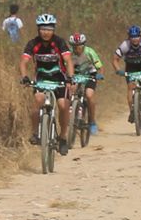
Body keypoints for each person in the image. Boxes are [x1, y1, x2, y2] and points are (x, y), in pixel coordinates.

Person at [19, 13, 75, 152]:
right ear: (38, 29)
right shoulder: (33, 43)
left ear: (53, 30)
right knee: (38, 100)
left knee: (63, 105)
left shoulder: (59, 42)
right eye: (43, 29)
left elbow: (68, 61)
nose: (46, 32)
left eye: (49, 29)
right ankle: (35, 133)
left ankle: (63, 137)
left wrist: (70, 78)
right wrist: (25, 77)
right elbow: (24, 62)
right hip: (42, 79)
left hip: (59, 78)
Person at [69, 31, 105, 136]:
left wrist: (100, 75)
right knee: (71, 91)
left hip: (90, 75)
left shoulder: (90, 52)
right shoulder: (69, 53)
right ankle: (72, 116)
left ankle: (92, 122)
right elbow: (66, 66)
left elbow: (100, 67)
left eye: (80, 46)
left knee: (89, 95)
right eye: (74, 46)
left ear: (84, 45)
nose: (77, 48)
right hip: (76, 75)